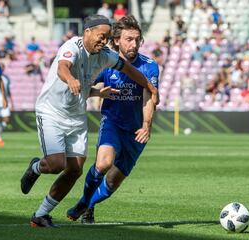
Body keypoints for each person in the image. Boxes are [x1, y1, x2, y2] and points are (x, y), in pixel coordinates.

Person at [19, 14, 158, 228]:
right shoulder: (71, 46)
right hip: (51, 112)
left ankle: (41, 215)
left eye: (106, 38)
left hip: (76, 116)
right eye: (101, 37)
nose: (103, 41)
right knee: (57, 164)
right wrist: (71, 78)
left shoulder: (105, 56)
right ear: (87, 32)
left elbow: (131, 71)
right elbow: (62, 67)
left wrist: (149, 87)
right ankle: (36, 167)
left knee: (75, 170)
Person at [66, 15, 159, 224]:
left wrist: (146, 125)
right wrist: (97, 93)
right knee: (103, 164)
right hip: (112, 123)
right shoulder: (105, 62)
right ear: (116, 40)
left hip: (136, 132)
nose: (133, 44)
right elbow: (85, 88)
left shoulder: (149, 66)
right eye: (128, 39)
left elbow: (148, 97)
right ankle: (84, 204)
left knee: (112, 183)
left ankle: (89, 204)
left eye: (137, 39)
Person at [0, 62, 14, 146]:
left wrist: (11, 102)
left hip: (4, 100)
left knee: (7, 120)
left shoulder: (6, 78)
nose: (1, 68)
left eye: (2, 67)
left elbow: (8, 91)